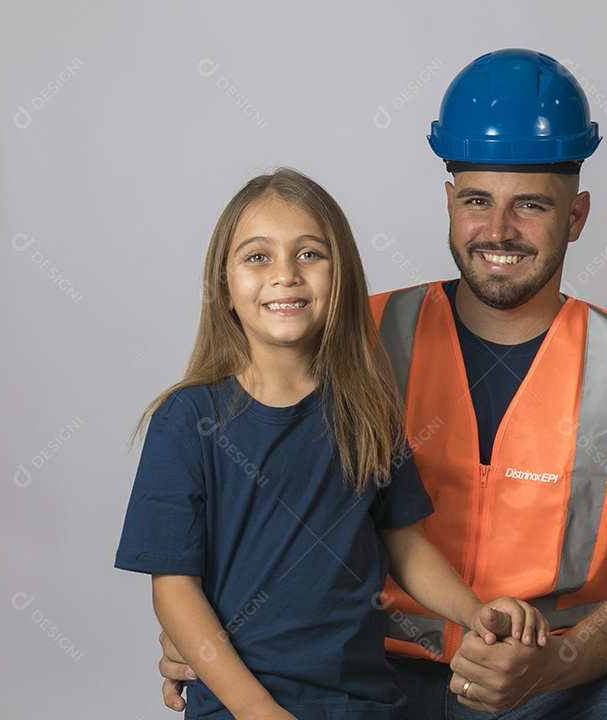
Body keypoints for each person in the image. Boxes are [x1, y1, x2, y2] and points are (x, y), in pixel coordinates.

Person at [161, 50, 607, 719]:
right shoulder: (348, 340)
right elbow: (236, 495)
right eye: (478, 201)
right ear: (449, 202)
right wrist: (213, 637)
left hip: (547, 683)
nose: (499, 231)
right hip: (364, 673)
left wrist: (547, 665)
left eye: (532, 205)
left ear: (576, 217)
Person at [116, 168, 549, 720]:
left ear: (340, 278)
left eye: (309, 255)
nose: (284, 276)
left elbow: (406, 547)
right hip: (241, 709)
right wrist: (256, 711)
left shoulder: (366, 410)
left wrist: (475, 612)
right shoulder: (186, 420)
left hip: (368, 703)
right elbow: (174, 588)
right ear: (224, 288)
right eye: (257, 257)